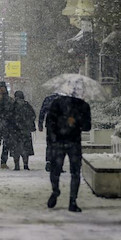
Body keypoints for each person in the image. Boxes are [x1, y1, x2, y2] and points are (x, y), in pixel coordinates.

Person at [45, 82, 91, 213]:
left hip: (65, 142)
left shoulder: (58, 104)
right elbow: (87, 126)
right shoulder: (80, 106)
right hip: (69, 142)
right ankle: (68, 198)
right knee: (70, 172)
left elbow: (50, 124)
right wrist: (71, 122)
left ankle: (63, 195)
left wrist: (75, 121)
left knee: (61, 171)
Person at [8, 91, 36, 170]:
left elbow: (8, 117)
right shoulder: (27, 105)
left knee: (15, 148)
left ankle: (16, 165)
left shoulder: (12, 105)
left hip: (14, 130)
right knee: (25, 148)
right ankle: (26, 165)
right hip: (25, 130)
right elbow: (33, 115)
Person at [38, 93, 60, 172]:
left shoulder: (48, 99)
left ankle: (49, 162)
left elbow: (42, 111)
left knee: (50, 144)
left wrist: (40, 124)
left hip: (50, 124)